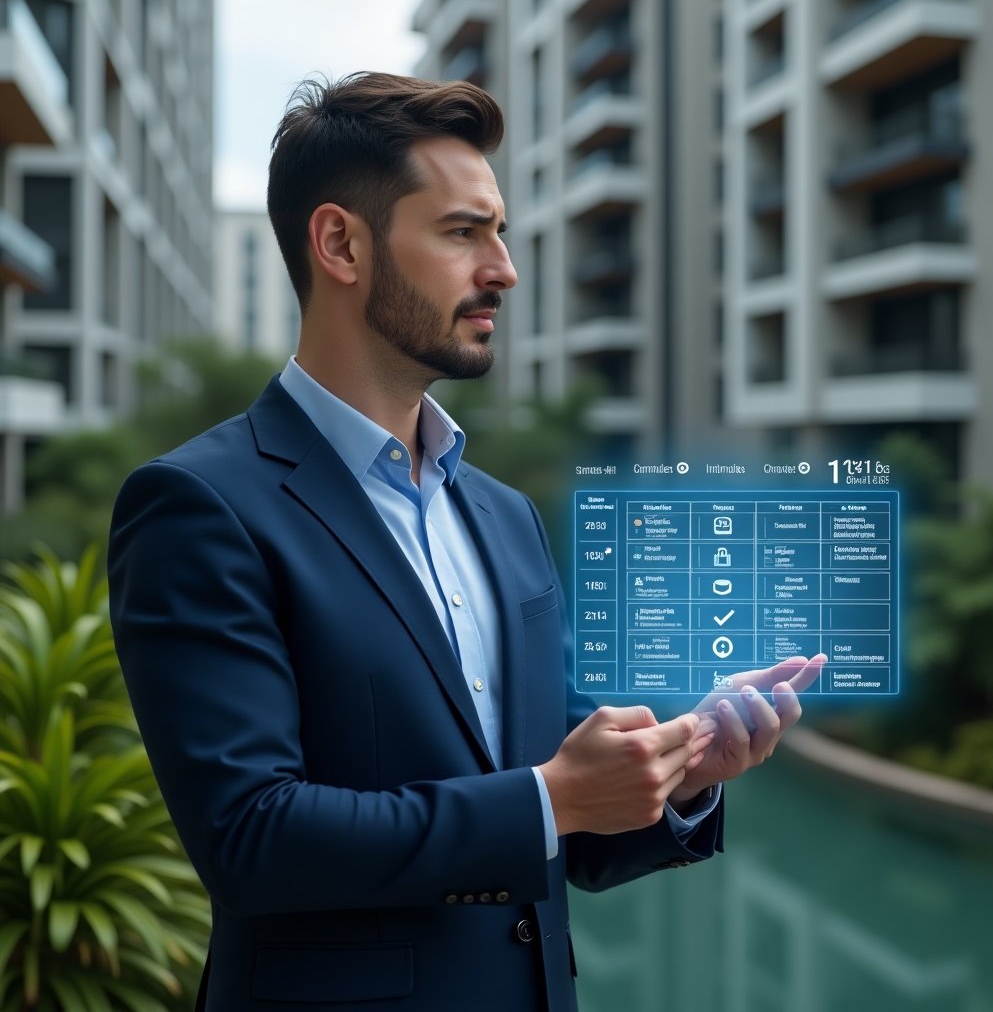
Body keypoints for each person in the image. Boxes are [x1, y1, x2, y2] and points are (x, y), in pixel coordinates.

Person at [107, 72, 824, 1011]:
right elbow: (249, 837)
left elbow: (567, 815)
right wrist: (552, 798)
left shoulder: (504, 514)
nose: (504, 269)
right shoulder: (198, 505)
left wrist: (682, 772)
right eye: (462, 232)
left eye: (501, 231)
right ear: (341, 244)